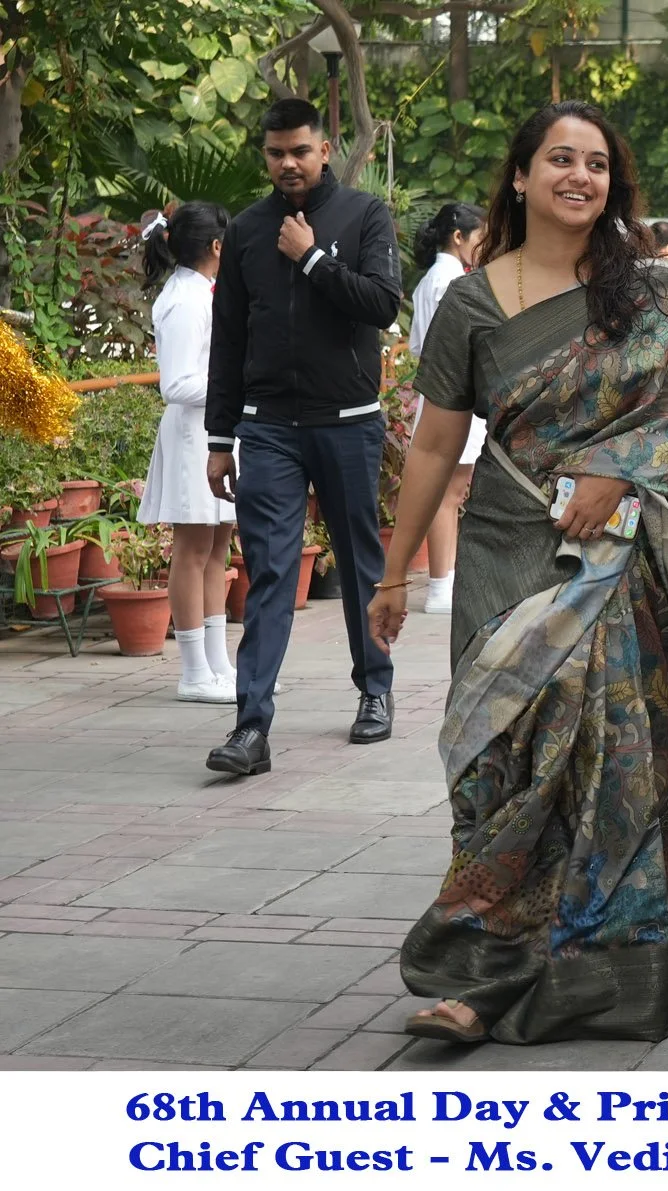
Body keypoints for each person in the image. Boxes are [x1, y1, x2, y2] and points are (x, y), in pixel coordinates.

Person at [368, 100, 668, 1045]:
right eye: (560, 159)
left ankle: (575, 967)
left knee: (613, 760)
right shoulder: (472, 303)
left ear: (612, 184)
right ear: (520, 177)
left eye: (595, 164)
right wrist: (394, 574)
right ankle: (489, 956)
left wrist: (618, 471)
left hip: (618, 557)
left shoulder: (648, 292)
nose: (579, 177)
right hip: (504, 546)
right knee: (501, 757)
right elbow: (434, 444)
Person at [203, 98, 402, 775]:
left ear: (324, 150)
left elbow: (382, 304)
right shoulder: (247, 230)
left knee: (361, 563)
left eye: (299, 151)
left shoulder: (364, 215)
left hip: (347, 423)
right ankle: (250, 728)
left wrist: (312, 258)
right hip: (268, 430)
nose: (288, 163)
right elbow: (229, 337)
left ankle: (375, 689)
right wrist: (219, 438)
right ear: (265, 156)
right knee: (269, 572)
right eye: (276, 153)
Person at [138, 202, 237, 704]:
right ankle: (194, 671)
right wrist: (235, 389)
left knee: (217, 549)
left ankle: (219, 665)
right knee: (192, 550)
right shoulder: (184, 300)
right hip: (193, 435)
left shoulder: (202, 292)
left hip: (215, 432)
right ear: (217, 246)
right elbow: (176, 384)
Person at [411, 202, 487, 615]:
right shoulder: (449, 281)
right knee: (447, 493)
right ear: (458, 237)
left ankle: (447, 579)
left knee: (452, 492)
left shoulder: (437, 278)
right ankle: (440, 585)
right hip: (451, 397)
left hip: (446, 395)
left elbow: (418, 346)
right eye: (480, 238)